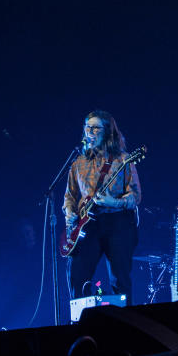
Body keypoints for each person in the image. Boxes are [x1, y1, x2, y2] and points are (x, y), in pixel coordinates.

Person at [64, 110, 142, 303]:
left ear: (107, 132)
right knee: (77, 276)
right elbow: (69, 197)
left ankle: (125, 324)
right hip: (88, 226)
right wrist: (69, 213)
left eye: (95, 127)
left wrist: (113, 202)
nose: (90, 131)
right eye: (87, 127)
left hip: (118, 223)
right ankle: (81, 324)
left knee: (120, 280)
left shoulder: (123, 159)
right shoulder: (77, 163)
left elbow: (136, 195)